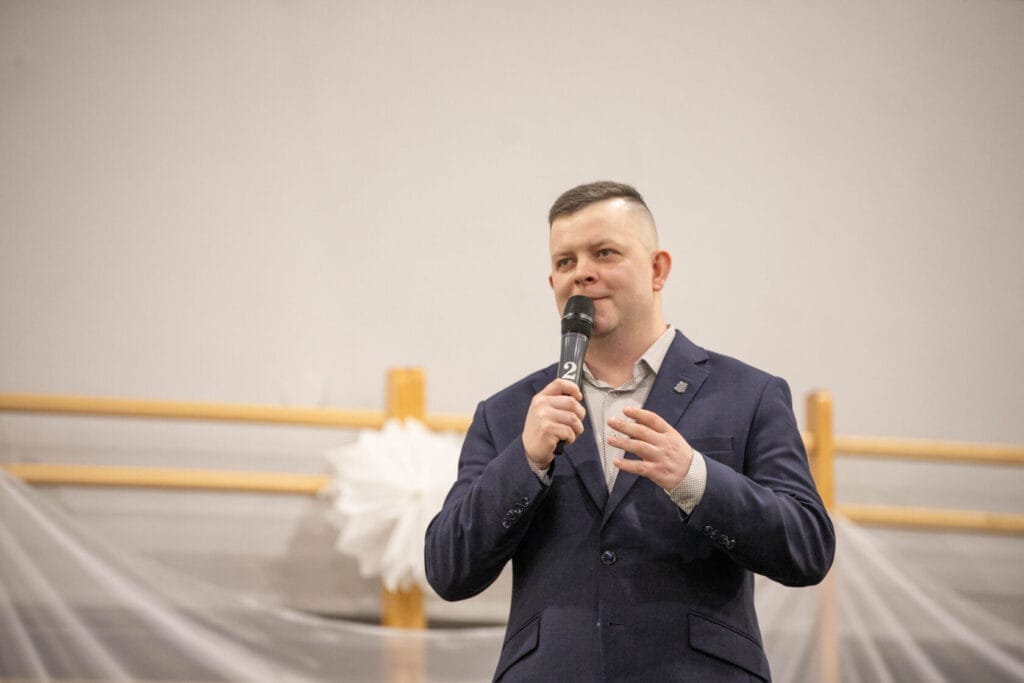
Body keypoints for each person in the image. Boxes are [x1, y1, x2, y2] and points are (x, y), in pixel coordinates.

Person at [425, 181, 835, 682]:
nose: (582, 272)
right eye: (565, 261)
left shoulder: (749, 395)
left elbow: (808, 547)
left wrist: (694, 478)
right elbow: (447, 570)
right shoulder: (509, 413)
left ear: (657, 269)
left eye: (604, 253)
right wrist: (525, 462)